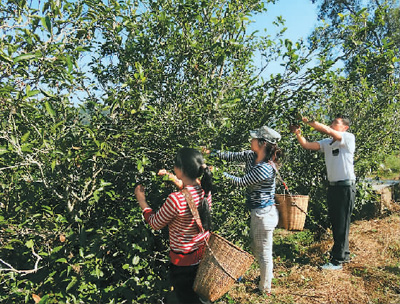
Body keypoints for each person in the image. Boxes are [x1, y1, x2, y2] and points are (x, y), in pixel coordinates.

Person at [209, 126, 283, 295]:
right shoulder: (252, 156)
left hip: (264, 214)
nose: (251, 141)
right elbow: (232, 156)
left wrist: (217, 172)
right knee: (259, 249)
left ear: (262, 143)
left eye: (254, 139)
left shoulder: (265, 168)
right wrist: (210, 153)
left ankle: (265, 289)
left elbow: (242, 181)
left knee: (264, 252)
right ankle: (266, 278)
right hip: (258, 211)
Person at [135, 148, 213, 304]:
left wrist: (142, 201)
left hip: (184, 263)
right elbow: (189, 195)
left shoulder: (175, 199)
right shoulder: (205, 190)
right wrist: (172, 178)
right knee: (199, 296)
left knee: (187, 298)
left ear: (182, 170)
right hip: (203, 256)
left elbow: (155, 223)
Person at [290, 115, 356, 270]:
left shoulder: (348, 138)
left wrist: (309, 121)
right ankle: (341, 255)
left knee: (342, 223)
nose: (332, 125)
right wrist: (298, 134)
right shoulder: (327, 143)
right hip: (333, 187)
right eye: (332, 122)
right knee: (336, 221)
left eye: (336, 123)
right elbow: (307, 145)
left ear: (345, 128)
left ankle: (338, 260)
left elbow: (327, 130)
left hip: (345, 187)